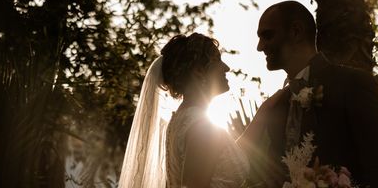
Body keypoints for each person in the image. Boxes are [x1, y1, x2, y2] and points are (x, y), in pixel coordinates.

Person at [251, 0, 378, 188]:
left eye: (267, 35)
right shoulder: (277, 105)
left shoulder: (354, 85)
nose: (260, 46)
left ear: (296, 31)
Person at [119, 33, 283, 188]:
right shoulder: (201, 126)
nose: (226, 68)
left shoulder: (184, 119)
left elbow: (228, 155)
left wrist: (264, 109)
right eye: (218, 61)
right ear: (198, 72)